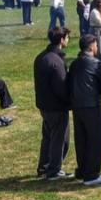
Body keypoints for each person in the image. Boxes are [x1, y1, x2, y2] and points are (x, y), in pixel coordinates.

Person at [67, 35, 101, 186]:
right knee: (95, 140)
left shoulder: (74, 64)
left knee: (81, 140)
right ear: (92, 47)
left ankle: (83, 170)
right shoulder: (94, 63)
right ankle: (92, 175)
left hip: (77, 107)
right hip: (92, 106)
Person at [32, 27, 72, 180]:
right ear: (61, 40)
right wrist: (69, 101)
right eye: (67, 37)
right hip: (56, 106)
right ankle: (54, 170)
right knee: (60, 139)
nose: (68, 40)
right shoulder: (56, 61)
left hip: (44, 104)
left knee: (48, 137)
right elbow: (61, 86)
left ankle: (44, 166)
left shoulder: (41, 57)